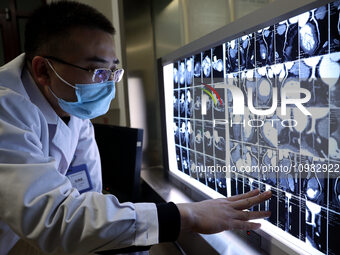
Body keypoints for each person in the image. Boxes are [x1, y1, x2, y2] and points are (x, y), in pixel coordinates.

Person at [0, 1, 272, 254]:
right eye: (97, 72)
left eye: (113, 72)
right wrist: (186, 215)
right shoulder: (5, 108)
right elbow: (52, 218)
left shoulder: (71, 108)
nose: (107, 84)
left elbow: (87, 198)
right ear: (43, 70)